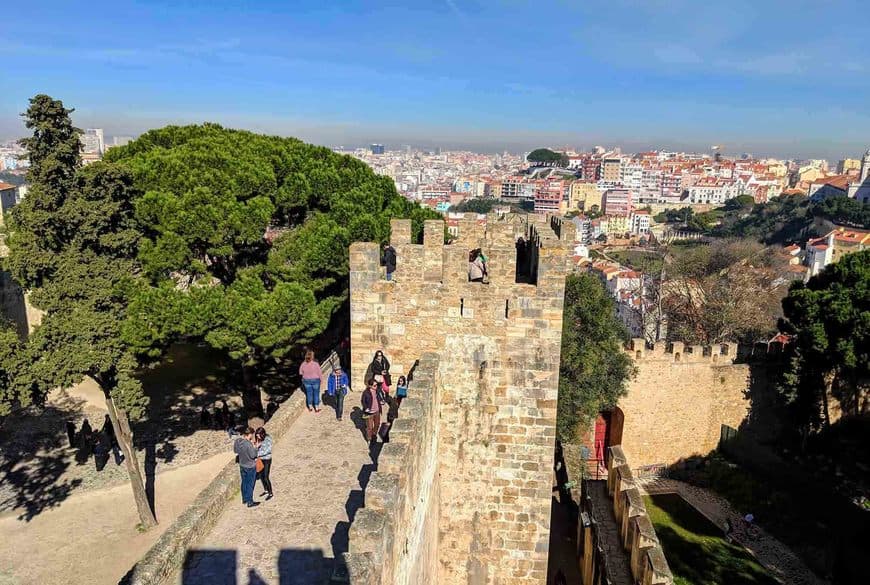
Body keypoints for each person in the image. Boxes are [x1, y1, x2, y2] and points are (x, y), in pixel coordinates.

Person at [234, 427, 260, 507]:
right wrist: (256, 448)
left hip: (242, 465)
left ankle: (244, 499)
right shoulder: (248, 444)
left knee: (244, 482)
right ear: (250, 434)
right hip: (250, 466)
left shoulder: (238, 441)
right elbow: (253, 455)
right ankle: (250, 502)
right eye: (252, 434)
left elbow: (236, 451)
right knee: (250, 484)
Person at [254, 427, 273, 501]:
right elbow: (256, 448)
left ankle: (270, 493)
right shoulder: (259, 439)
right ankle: (266, 490)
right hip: (260, 460)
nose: (257, 437)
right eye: (257, 435)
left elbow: (268, 450)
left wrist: (257, 454)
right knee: (261, 476)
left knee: (266, 476)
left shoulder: (268, 439)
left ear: (262, 434)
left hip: (267, 460)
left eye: (259, 435)